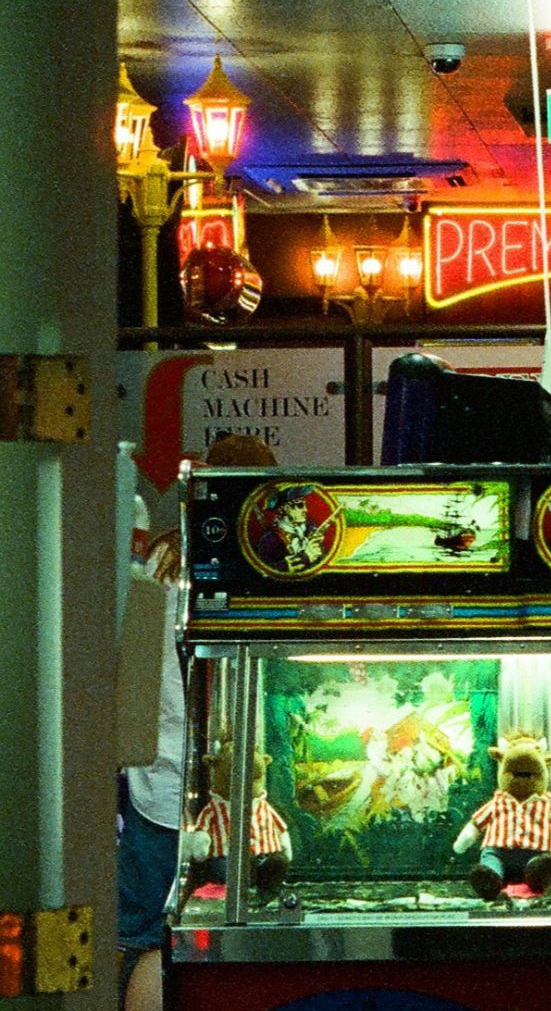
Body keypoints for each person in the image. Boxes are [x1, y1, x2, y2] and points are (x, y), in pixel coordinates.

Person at [119, 433, 275, 1011]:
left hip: (166, 771)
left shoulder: (162, 558)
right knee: (211, 926)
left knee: (148, 932)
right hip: (216, 781)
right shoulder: (257, 559)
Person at [252, 483, 325, 572]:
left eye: (304, 505)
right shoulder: (269, 539)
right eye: (300, 505)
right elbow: (263, 570)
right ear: (286, 508)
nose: (306, 510)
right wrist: (305, 557)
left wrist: (318, 549)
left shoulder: (309, 528)